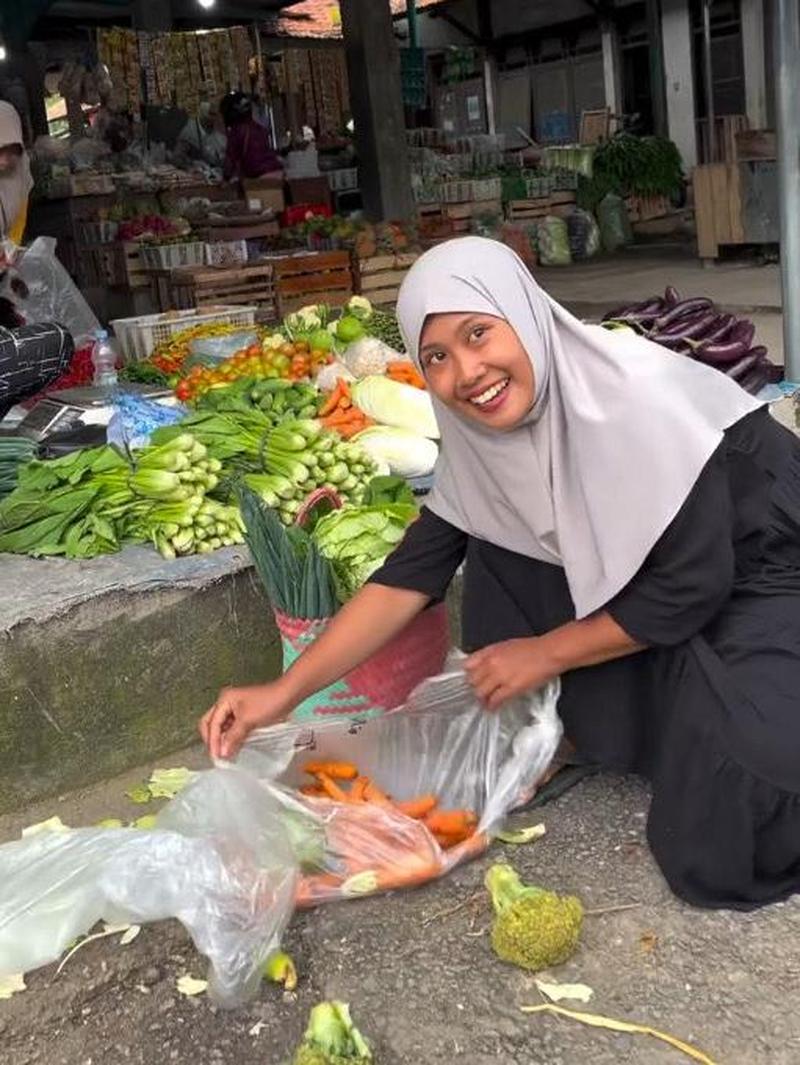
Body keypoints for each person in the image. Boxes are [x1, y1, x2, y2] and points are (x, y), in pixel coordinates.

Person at [200, 236, 800, 912]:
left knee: (737, 808)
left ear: (524, 313)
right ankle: (586, 719)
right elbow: (408, 579)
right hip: (664, 586)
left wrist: (543, 653)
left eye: (478, 333)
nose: (468, 371)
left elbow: (692, 583)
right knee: (493, 539)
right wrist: (280, 693)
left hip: (760, 566)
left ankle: (624, 706)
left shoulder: (638, 401)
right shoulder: (482, 446)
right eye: (438, 357)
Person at [221, 92, 283, 183]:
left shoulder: (236, 131)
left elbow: (230, 161)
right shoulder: (258, 128)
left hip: (260, 179)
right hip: (278, 173)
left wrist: (225, 178)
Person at [0, 101, 32, 245]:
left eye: (11, 151)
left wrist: (9, 250)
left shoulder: (21, 172)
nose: (4, 161)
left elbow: (17, 226)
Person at [175, 101, 227, 169]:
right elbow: (178, 158)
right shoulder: (189, 131)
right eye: (211, 114)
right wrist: (192, 164)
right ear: (203, 113)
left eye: (215, 114)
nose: (214, 118)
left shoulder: (219, 128)